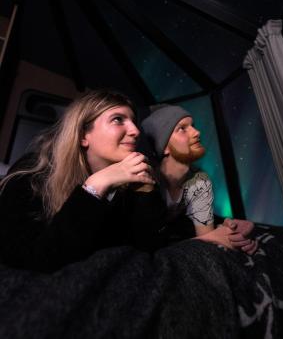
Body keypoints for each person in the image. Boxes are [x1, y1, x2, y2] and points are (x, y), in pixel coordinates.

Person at [0, 90, 248, 272]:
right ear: (83, 135)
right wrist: (95, 186)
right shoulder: (31, 174)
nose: (136, 131)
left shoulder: (135, 181)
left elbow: (147, 250)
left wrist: (144, 189)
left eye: (133, 121)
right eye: (118, 119)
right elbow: (36, 261)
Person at [141, 104, 257, 254]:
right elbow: (147, 246)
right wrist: (215, 237)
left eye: (193, 126)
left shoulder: (199, 181)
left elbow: (206, 235)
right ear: (164, 147)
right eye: (182, 128)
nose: (197, 132)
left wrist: (231, 235)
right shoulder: (146, 179)